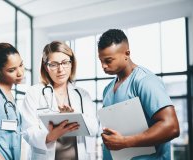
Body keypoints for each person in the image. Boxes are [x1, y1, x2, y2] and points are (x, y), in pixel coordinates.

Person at [97, 29, 180, 159]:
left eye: (108, 60)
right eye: (101, 60)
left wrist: (125, 142)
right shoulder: (107, 89)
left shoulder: (145, 81)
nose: (103, 66)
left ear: (127, 53)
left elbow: (171, 127)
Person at [20, 41, 99, 160]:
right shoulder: (34, 93)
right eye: (54, 64)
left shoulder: (83, 95)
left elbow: (94, 128)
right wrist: (50, 136)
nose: (60, 69)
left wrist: (75, 117)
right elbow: (27, 130)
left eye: (65, 62)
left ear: (72, 63)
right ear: (46, 67)